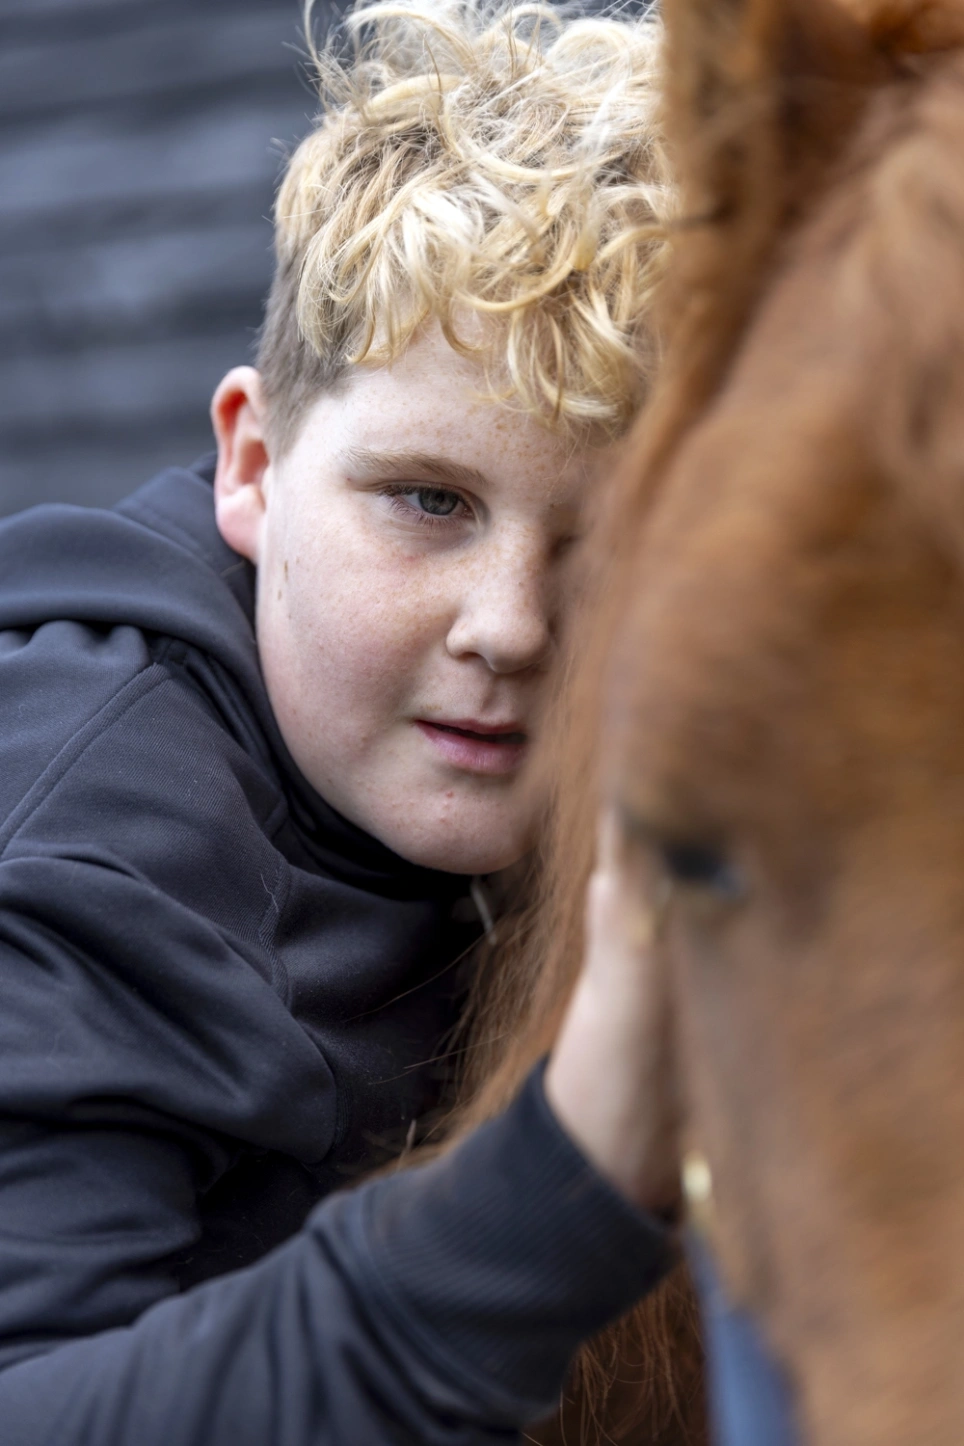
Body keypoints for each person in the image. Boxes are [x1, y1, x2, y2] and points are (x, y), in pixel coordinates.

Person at [0, 2, 679, 1441]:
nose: (510, 625)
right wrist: (566, 1183)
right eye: (431, 501)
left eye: (610, 544)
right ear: (252, 462)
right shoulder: (95, 845)